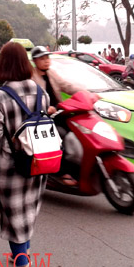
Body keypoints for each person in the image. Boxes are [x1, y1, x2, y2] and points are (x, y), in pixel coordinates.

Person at [0, 42, 49, 267]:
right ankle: (21, 256)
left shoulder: (0, 96)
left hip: (11, 164)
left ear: (2, 65)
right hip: (37, 161)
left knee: (14, 216)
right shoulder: (40, 91)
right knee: (27, 211)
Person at [30, 46, 84, 186]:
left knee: (79, 132)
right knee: (62, 138)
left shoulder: (51, 73)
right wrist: (45, 108)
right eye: (42, 59)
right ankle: (62, 173)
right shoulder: (31, 78)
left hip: (59, 113)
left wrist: (85, 93)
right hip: (43, 118)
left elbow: (66, 85)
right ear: (35, 61)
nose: (46, 61)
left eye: (47, 58)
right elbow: (31, 99)